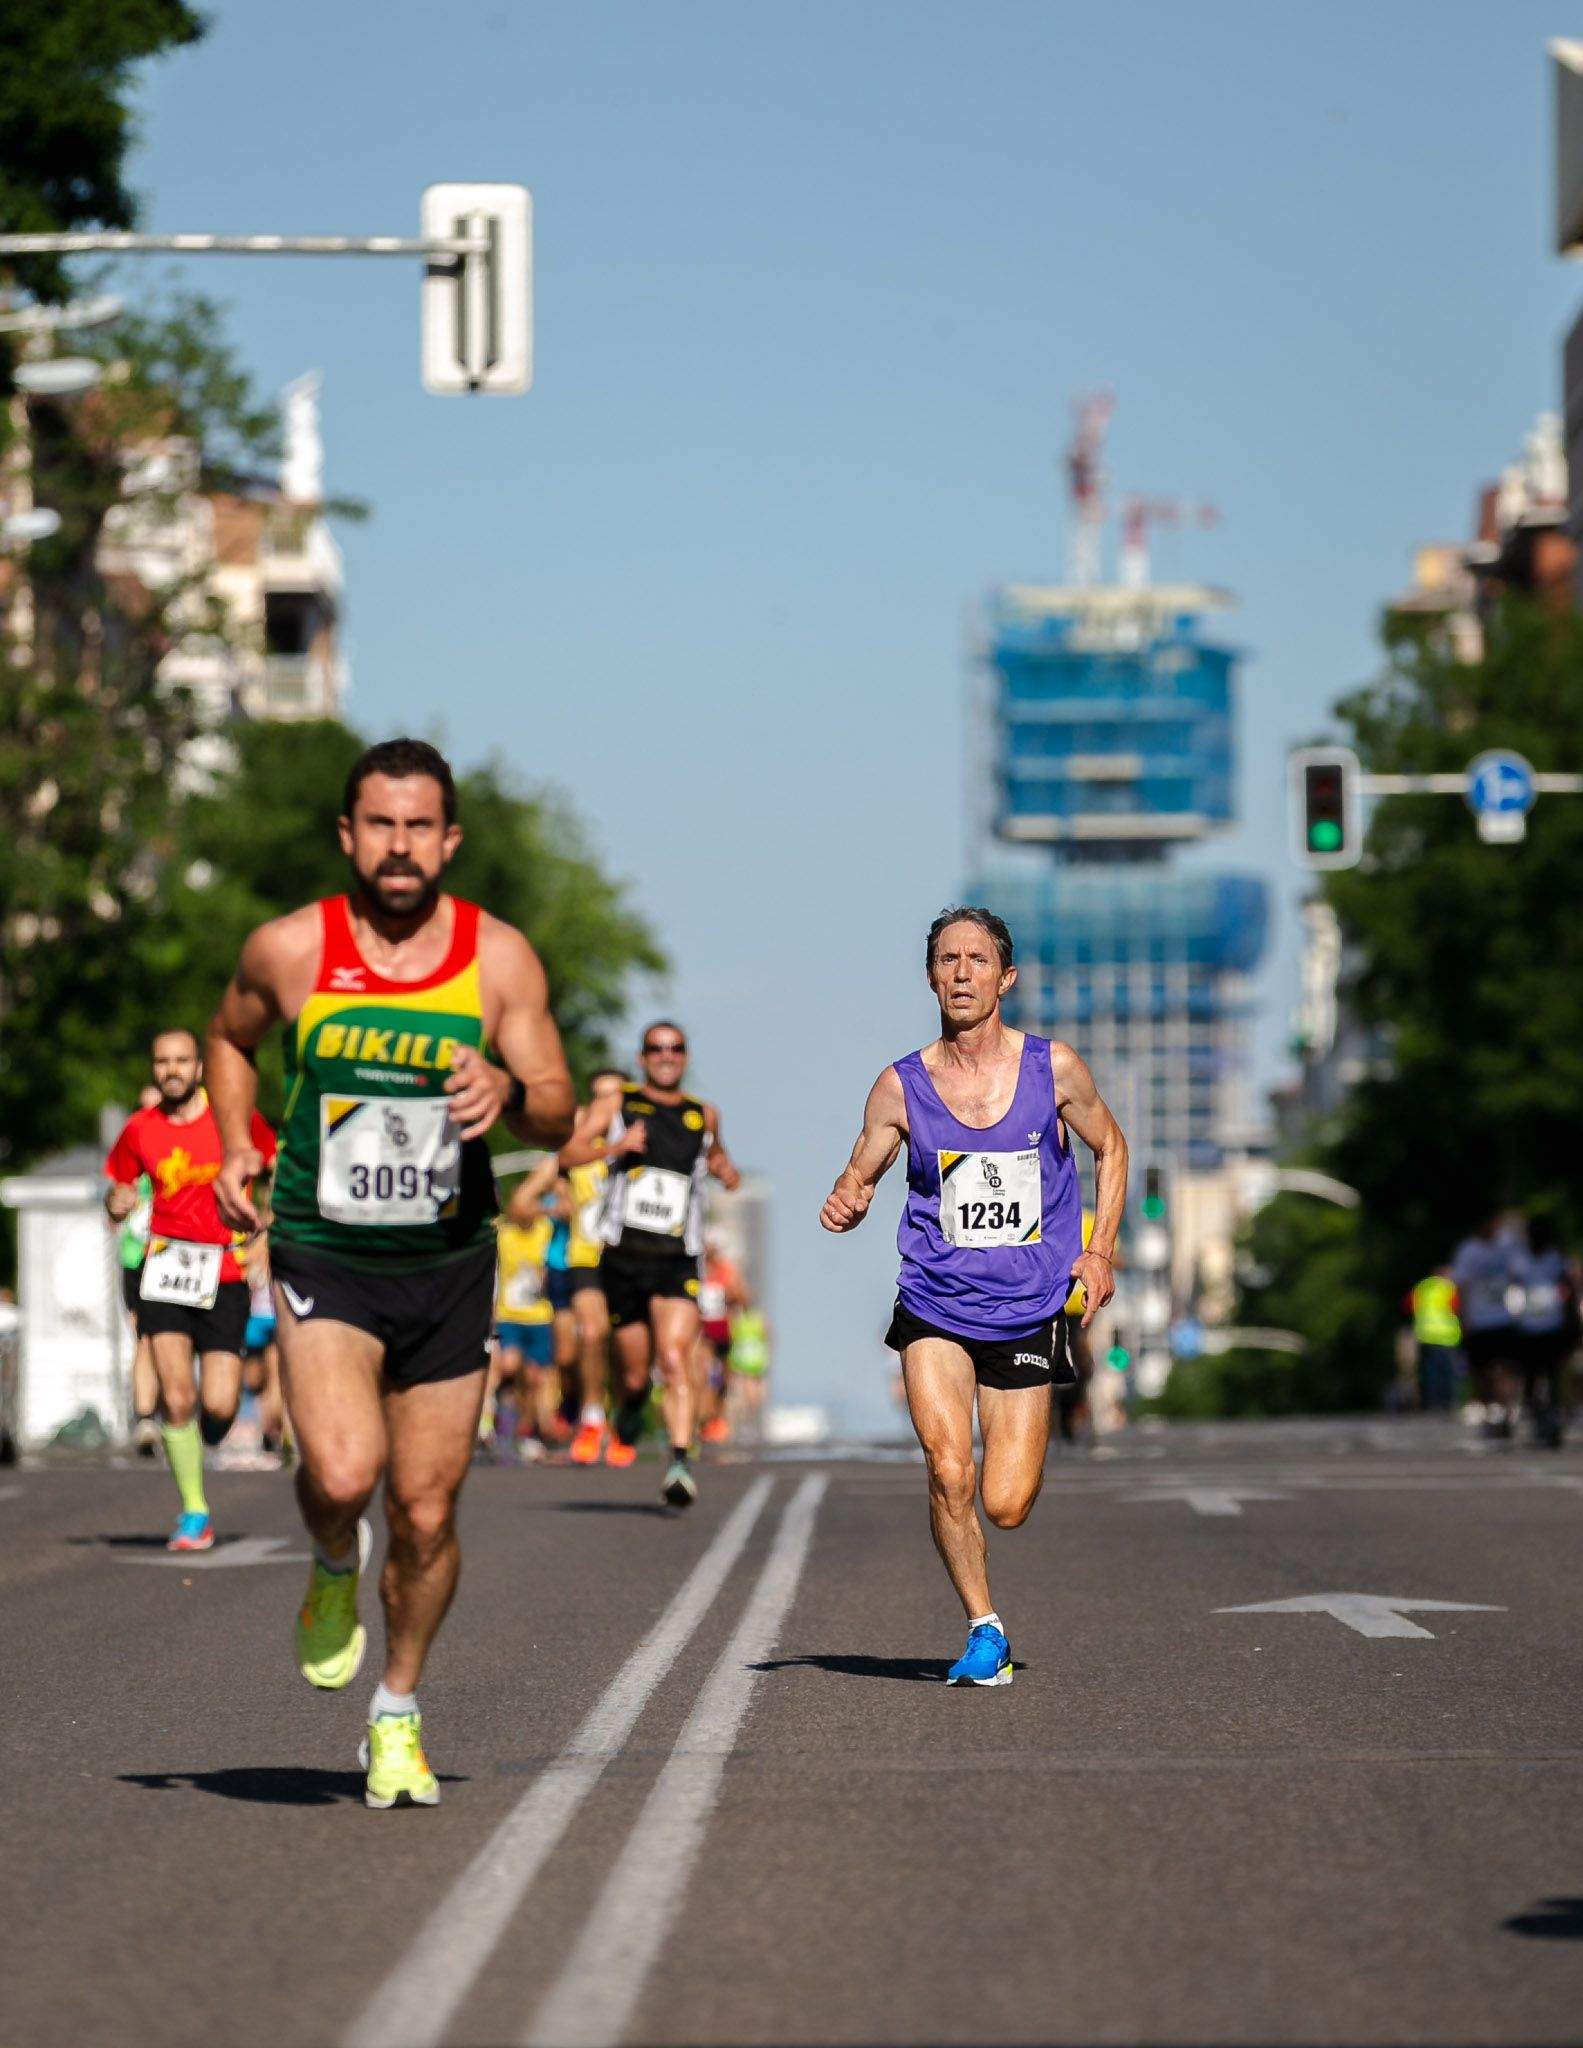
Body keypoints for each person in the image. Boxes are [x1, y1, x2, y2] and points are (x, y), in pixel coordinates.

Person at [206, 737, 574, 1811]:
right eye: (380, 823)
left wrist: (506, 1085)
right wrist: (238, 1142)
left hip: (450, 1260)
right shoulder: (289, 949)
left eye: (420, 826)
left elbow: (557, 1102)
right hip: (327, 1247)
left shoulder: (497, 958)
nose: (400, 845)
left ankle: (398, 1710)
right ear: (347, 834)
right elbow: (229, 1042)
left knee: (423, 1508)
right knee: (341, 1472)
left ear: (449, 839)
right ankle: (330, 1562)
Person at [820, 906, 1126, 1687]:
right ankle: (982, 1627)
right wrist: (848, 1197)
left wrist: (1098, 1250)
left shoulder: (1052, 1070)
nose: (961, 973)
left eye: (976, 960)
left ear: (1005, 977)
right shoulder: (900, 1085)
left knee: (1006, 1501)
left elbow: (1111, 1146)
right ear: (930, 977)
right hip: (934, 1303)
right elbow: (863, 1169)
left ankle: (1019, 1477)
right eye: (947, 961)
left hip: (1026, 1308)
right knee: (948, 1466)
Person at [104, 1033, 277, 1549]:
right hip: (166, 1270)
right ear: (154, 1069)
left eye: (181, 1061)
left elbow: (277, 1166)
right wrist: (116, 1204)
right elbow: (118, 1189)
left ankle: (207, 1439)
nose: (171, 1070)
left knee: (219, 1406)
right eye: (162, 1061)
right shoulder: (140, 1130)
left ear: (200, 1067)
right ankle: (194, 1512)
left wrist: (268, 1229)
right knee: (177, 1397)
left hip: (224, 1271)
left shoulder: (235, 1119)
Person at [576, 1022, 740, 1507]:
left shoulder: (703, 1114)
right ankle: (627, 1411)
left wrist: (726, 1172)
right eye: (657, 1049)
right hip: (625, 1257)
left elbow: (722, 1166)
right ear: (642, 1057)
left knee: (673, 1357)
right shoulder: (616, 1105)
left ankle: (679, 1463)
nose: (666, 1056)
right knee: (632, 1374)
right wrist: (616, 1148)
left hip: (676, 1258)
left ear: (685, 1057)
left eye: (675, 1048)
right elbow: (569, 1152)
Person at [554, 1068, 629, 1466]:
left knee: (625, 1346)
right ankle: (591, 1418)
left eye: (614, 1095)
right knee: (591, 1332)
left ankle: (622, 1419)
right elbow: (557, 1170)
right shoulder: (580, 1146)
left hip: (628, 1254)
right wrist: (560, 1195)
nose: (607, 1103)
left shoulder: (639, 1139)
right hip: (586, 1253)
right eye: (600, 1095)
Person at [490, 1179, 558, 1459]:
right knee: (508, 1365)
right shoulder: (502, 1233)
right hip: (509, 1314)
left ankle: (526, 1428)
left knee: (534, 1378)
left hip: (539, 1315)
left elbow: (567, 1210)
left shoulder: (545, 1229)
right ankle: (499, 1414)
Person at [117, 1083, 163, 1457]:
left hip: (181, 1257)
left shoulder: (185, 1146)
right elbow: (112, 1200)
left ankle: (174, 1411)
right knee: (145, 1337)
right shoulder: (129, 1152)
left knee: (176, 1340)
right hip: (138, 1257)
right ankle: (146, 1418)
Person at [1450, 1214, 1522, 1437]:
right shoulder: (1468, 1251)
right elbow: (1461, 1286)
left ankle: (1505, 1411)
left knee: (1506, 1370)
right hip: (1479, 1320)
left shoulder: (1508, 1248)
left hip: (1505, 1318)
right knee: (1481, 1373)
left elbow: (1521, 1276)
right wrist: (1463, 1319)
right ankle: (1492, 1411)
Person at [1514, 1216, 1576, 1449]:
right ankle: (1539, 1416)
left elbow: (1569, 1290)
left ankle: (1552, 1419)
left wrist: (1571, 1321)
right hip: (1528, 1326)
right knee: (1532, 1378)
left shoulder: (1556, 1259)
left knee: (1552, 1376)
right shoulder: (1520, 1259)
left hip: (1552, 1326)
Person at [696, 1234, 747, 1444]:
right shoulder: (695, 1267)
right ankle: (703, 1418)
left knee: (724, 1378)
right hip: (700, 1330)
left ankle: (718, 1416)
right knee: (703, 1373)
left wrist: (729, 1294)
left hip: (723, 1328)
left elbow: (743, 1296)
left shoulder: (726, 1269)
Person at [1405, 1262, 1462, 1414]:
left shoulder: (1422, 1287)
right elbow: (1457, 1308)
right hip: (1446, 1337)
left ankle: (1430, 1404)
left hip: (1425, 1336)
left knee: (1429, 1374)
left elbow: (1409, 1306)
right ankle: (1448, 1403)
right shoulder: (1449, 1288)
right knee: (1447, 1373)